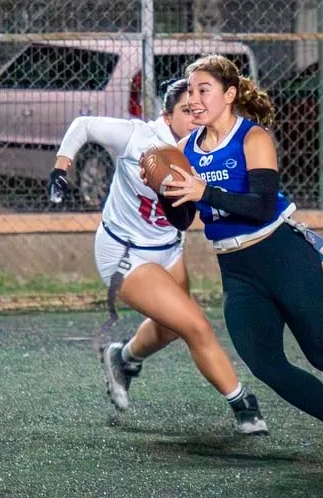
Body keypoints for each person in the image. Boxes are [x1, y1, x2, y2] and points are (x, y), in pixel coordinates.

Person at [158, 55, 323, 470]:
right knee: (265, 364)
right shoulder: (184, 151)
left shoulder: (253, 137)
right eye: (190, 92)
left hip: (281, 253)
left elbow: (260, 205)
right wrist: (167, 194)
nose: (194, 99)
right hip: (236, 270)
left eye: (204, 90)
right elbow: (184, 218)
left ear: (229, 94)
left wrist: (205, 193)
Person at [46, 78, 268, 435]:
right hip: (125, 253)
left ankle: (123, 357)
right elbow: (83, 125)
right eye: (186, 110)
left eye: (199, 109)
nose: (196, 116)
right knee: (195, 325)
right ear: (166, 114)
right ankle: (242, 404)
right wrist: (61, 166)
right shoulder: (138, 136)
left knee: (169, 329)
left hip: (168, 248)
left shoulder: (205, 147)